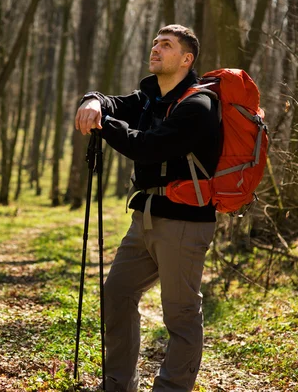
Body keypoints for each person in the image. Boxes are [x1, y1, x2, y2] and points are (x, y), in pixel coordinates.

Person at [74, 25, 221, 392]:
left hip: (185, 223)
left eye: (166, 45)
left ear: (186, 59)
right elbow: (113, 102)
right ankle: (118, 385)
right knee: (117, 293)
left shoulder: (199, 106)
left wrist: (104, 125)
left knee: (181, 315)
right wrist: (93, 100)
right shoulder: (150, 96)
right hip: (145, 218)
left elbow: (150, 147)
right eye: (155, 42)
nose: (155, 48)